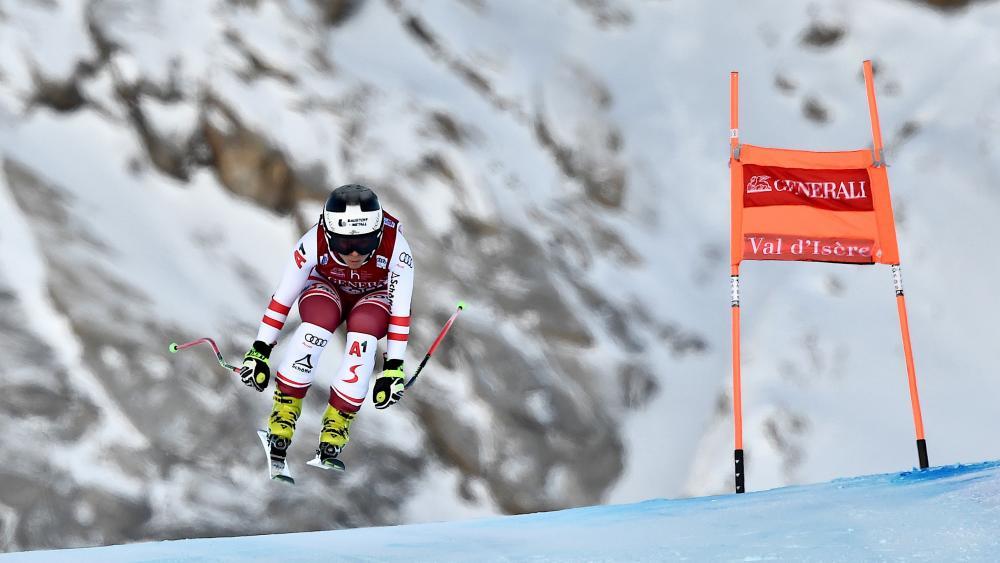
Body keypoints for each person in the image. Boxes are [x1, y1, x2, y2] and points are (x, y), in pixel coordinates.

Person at [238, 184, 414, 468]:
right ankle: (284, 411)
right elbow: (283, 298)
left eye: (366, 243)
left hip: (373, 296)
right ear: (330, 235)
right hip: (326, 288)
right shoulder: (313, 241)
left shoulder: (396, 247)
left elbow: (400, 312)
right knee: (317, 324)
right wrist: (260, 350)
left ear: (379, 234)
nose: (354, 254)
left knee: (364, 334)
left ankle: (337, 423)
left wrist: (393, 367)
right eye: (344, 244)